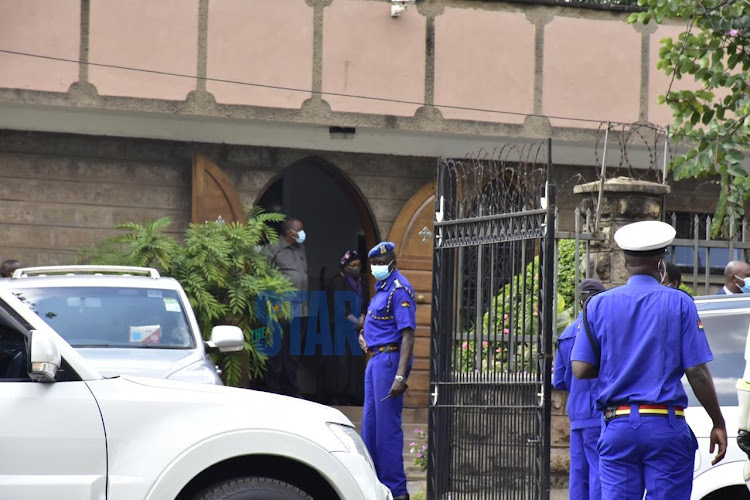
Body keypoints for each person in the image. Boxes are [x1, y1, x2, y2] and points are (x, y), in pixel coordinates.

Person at [571, 220, 726, 499]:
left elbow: (580, 369)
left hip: (617, 427)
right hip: (665, 427)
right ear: (661, 262)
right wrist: (718, 421)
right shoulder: (680, 302)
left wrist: (617, 364)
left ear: (625, 261)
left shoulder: (598, 304)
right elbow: (697, 371)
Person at [359, 241, 415, 500]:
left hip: (390, 361)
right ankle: (373, 486)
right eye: (374, 264)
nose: (377, 267)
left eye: (381, 263)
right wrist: (364, 335)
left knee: (387, 430)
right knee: (370, 427)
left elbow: (408, 336)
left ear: (392, 262)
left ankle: (396, 490)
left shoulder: (399, 289)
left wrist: (401, 376)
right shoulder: (380, 289)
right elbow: (377, 324)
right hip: (375, 360)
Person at [553, 277, 606, 500]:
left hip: (577, 413)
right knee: (598, 470)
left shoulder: (567, 334)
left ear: (581, 301)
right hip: (600, 411)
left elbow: (559, 381)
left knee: (578, 471)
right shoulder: (603, 330)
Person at [262, 217, 308, 397]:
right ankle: (272, 391)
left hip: (301, 311)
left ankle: (291, 392)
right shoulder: (273, 248)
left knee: (293, 354)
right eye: (301, 230)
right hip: (280, 311)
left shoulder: (301, 248)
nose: (304, 234)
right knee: (276, 353)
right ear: (290, 233)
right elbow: (260, 274)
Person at [324, 249, 367, 405]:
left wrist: (362, 316)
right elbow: (338, 306)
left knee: (354, 363)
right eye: (353, 264)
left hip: (357, 329)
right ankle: (337, 396)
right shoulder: (337, 281)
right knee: (340, 362)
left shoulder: (362, 281)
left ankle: (352, 396)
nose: (356, 267)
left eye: (358, 264)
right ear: (345, 265)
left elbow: (366, 300)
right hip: (340, 327)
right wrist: (354, 321)